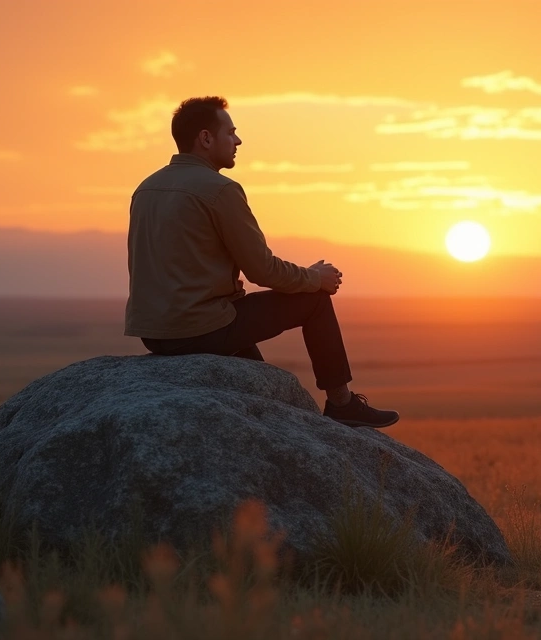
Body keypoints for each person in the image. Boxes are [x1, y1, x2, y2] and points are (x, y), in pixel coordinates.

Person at [124, 96, 399, 429]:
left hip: (154, 334)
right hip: (200, 329)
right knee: (314, 302)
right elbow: (261, 270)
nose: (238, 141)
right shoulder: (220, 190)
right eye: (231, 132)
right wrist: (314, 278)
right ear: (206, 138)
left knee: (256, 372)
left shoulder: (145, 188)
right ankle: (342, 403)